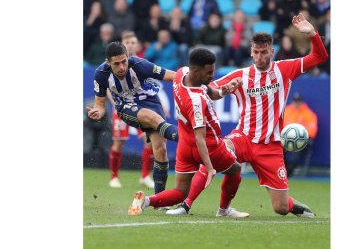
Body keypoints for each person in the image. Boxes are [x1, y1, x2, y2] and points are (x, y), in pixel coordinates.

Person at [166, 13, 328, 217]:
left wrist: (312, 33)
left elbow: (320, 57)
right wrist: (223, 90)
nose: (259, 57)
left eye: (263, 52)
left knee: (280, 208)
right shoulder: (241, 75)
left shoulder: (285, 70)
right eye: (256, 52)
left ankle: (291, 205)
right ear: (251, 52)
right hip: (242, 138)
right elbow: (210, 90)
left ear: (272, 51)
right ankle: (187, 205)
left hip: (270, 147)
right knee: (216, 154)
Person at [127, 48, 249, 218]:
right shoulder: (195, 101)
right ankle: (224, 210)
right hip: (210, 146)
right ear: (196, 71)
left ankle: (145, 201)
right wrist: (209, 167)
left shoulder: (181, 73)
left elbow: (207, 89)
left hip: (184, 145)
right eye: (209, 72)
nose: (212, 76)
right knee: (235, 170)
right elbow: (201, 138)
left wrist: (223, 91)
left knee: (180, 191)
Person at [87, 42, 178, 194]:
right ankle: (188, 139)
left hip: (151, 101)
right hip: (125, 106)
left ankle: (159, 198)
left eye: (124, 61)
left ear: (128, 57)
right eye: (116, 64)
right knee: (151, 117)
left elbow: (170, 75)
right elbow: (100, 105)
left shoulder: (140, 65)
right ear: (108, 62)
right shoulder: (101, 74)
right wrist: (98, 112)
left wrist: (190, 79)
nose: (122, 67)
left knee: (161, 149)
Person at [107, 32, 159, 189]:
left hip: (140, 107)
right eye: (127, 42)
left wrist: (159, 103)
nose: (130, 44)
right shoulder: (115, 63)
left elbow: (149, 86)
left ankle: (145, 176)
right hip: (121, 107)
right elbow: (106, 86)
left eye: (133, 42)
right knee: (119, 143)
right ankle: (114, 177)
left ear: (137, 45)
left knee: (148, 139)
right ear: (122, 45)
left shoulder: (141, 63)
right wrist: (114, 103)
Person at [283, 93, 318, 176]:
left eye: (298, 101)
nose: (296, 103)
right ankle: (280, 171)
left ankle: (287, 173)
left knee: (296, 153)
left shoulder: (309, 114)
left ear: (302, 102)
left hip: (300, 138)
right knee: (275, 149)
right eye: (295, 101)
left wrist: (299, 135)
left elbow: (312, 131)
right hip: (285, 137)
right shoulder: (286, 111)